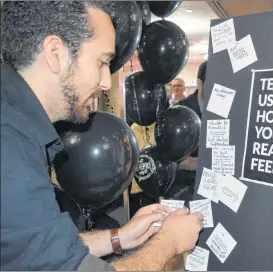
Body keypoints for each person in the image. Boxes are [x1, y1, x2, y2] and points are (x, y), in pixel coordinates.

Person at [1, 2, 203, 271]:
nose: (107, 82)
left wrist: (119, 238)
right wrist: (170, 241)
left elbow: (36, 247)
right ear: (55, 53)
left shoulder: (14, 121)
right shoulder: (11, 146)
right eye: (102, 62)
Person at [165, 61, 207, 201]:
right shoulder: (178, 112)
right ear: (200, 83)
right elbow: (167, 158)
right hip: (182, 191)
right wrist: (198, 163)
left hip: (213, 191)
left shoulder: (228, 111)